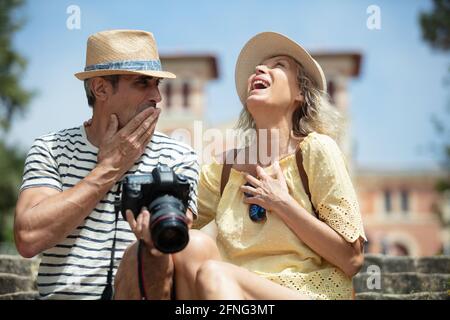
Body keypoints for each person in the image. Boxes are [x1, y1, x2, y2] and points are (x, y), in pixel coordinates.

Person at [170, 32, 367, 300]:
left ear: (300, 93)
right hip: (232, 292)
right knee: (189, 245)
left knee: (215, 274)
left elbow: (352, 260)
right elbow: (182, 219)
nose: (260, 69)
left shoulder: (316, 150)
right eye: (258, 68)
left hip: (306, 292)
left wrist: (281, 202)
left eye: (279, 65)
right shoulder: (224, 169)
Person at [14, 29, 199, 300]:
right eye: (142, 83)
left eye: (156, 84)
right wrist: (109, 168)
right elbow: (28, 238)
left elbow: (178, 248)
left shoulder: (179, 156)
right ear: (101, 88)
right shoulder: (50, 148)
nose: (157, 97)